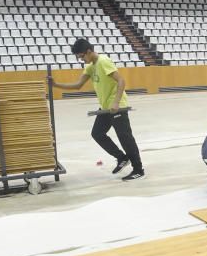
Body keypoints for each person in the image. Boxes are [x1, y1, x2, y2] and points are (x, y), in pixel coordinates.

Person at [56, 38, 144, 181]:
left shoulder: (103, 62)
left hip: (117, 106)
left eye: (81, 56)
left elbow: (121, 81)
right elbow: (78, 85)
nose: (81, 60)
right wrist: (55, 85)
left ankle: (138, 169)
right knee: (97, 133)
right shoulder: (90, 66)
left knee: (125, 137)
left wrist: (116, 103)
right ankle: (121, 157)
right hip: (105, 108)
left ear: (89, 52)